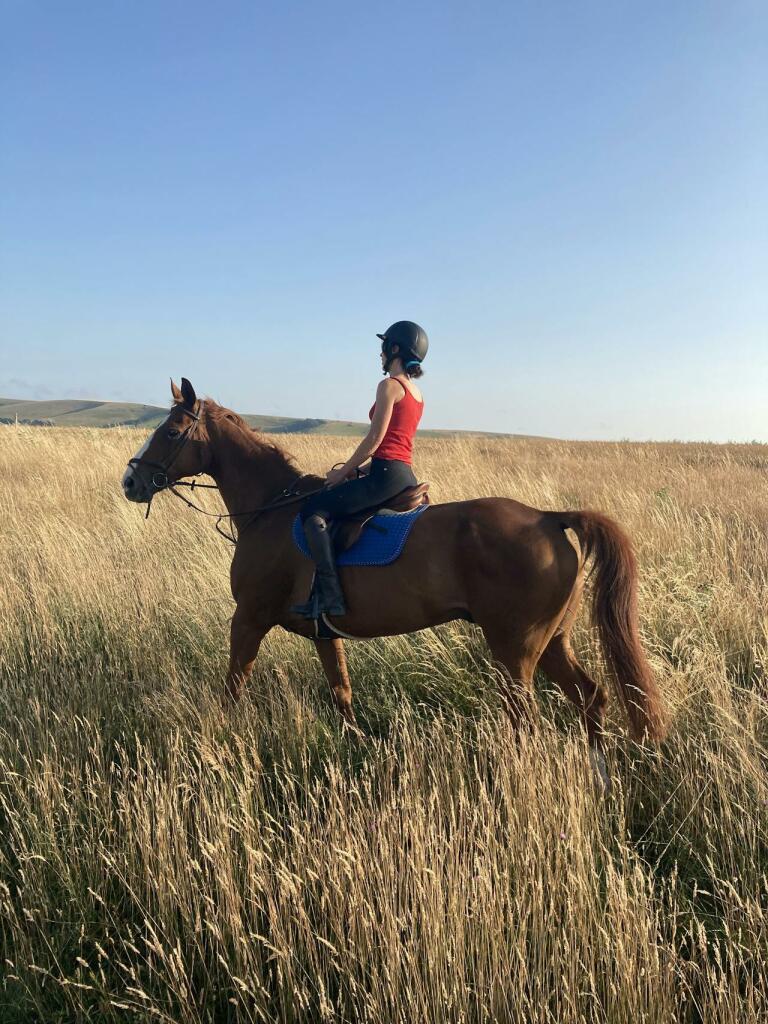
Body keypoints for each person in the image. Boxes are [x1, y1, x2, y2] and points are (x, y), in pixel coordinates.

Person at [291, 320, 428, 619]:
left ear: (394, 349)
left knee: (313, 512)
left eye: (384, 347)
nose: (380, 354)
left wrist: (342, 473)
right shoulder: (416, 393)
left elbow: (376, 439)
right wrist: (361, 470)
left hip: (385, 477)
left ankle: (330, 597)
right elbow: (396, 445)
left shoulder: (389, 386)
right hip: (402, 474)